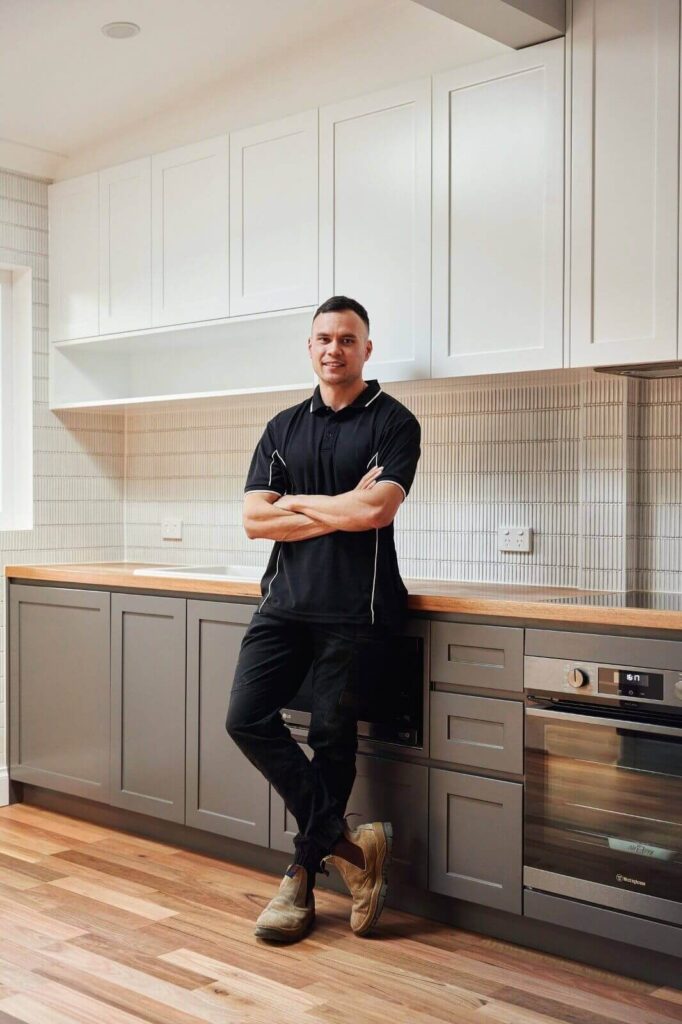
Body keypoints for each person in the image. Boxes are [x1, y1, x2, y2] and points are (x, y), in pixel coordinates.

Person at [226, 295, 421, 943]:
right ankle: (352, 846)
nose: (333, 348)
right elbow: (255, 521)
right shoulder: (282, 426)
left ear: (367, 349)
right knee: (246, 717)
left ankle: (299, 877)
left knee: (333, 743)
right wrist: (336, 503)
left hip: (354, 610)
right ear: (309, 348)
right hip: (281, 604)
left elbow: (375, 513)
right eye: (322, 338)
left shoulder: (395, 422)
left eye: (347, 338)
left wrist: (301, 502)